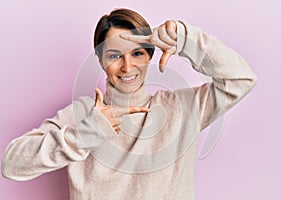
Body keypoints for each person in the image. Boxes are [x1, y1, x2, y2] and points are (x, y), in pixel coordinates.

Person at [1, 8, 257, 200]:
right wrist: (87, 133)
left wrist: (188, 40)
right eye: (114, 55)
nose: (127, 67)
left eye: (137, 53)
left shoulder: (182, 108)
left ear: (149, 56)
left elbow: (241, 79)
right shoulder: (81, 114)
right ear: (101, 61)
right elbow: (11, 164)